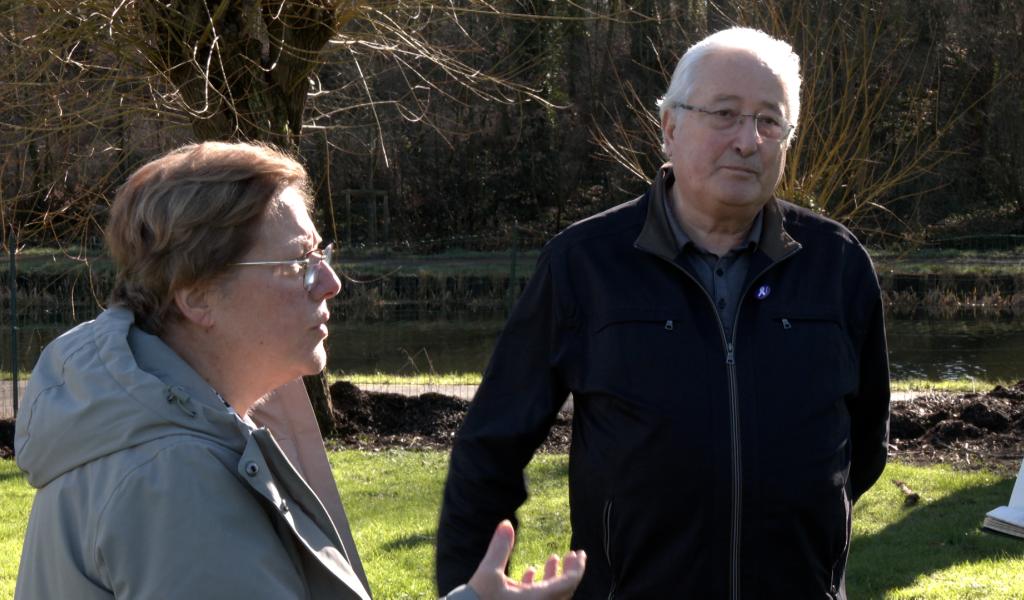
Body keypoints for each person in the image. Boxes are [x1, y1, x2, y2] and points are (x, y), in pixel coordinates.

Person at [14, 142, 585, 600]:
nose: (330, 282)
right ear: (198, 296)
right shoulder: (174, 481)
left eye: (321, 254)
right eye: (297, 263)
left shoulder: (168, 436)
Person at [436, 27, 890, 599]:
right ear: (670, 128)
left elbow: (865, 445)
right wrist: (468, 589)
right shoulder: (586, 264)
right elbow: (491, 446)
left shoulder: (838, 264)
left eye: (769, 121)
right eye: (725, 114)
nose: (748, 140)